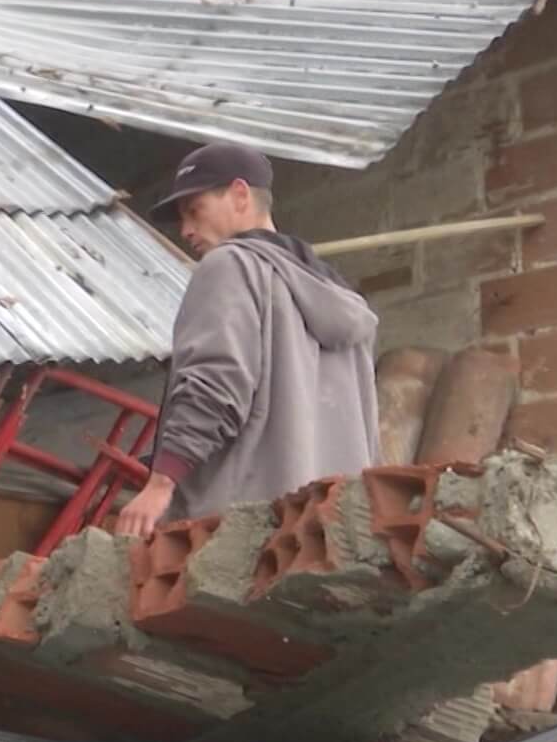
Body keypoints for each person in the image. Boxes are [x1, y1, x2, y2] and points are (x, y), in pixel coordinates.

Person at [114, 143, 380, 538]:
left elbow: (216, 384)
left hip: (248, 536)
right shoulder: (342, 297)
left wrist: (161, 484)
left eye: (194, 210)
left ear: (240, 194)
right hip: (328, 536)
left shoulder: (229, 266)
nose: (186, 230)